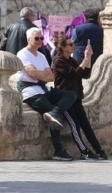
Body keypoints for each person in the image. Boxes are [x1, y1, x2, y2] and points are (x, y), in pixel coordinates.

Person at [14, 28, 80, 161]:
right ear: (29, 40)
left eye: (41, 38)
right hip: (30, 92)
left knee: (71, 95)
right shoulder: (23, 54)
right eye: (36, 38)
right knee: (53, 116)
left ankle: (55, 111)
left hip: (44, 89)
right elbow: (32, 73)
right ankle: (59, 150)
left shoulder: (42, 55)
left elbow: (51, 76)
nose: (40, 41)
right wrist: (41, 75)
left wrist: (40, 75)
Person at [51, 33, 107, 159]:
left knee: (85, 124)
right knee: (75, 125)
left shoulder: (71, 60)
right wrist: (85, 60)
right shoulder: (58, 61)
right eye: (70, 44)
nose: (73, 46)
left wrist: (89, 58)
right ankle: (84, 151)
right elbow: (74, 74)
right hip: (65, 99)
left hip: (76, 97)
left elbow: (85, 73)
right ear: (63, 47)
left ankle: (98, 150)